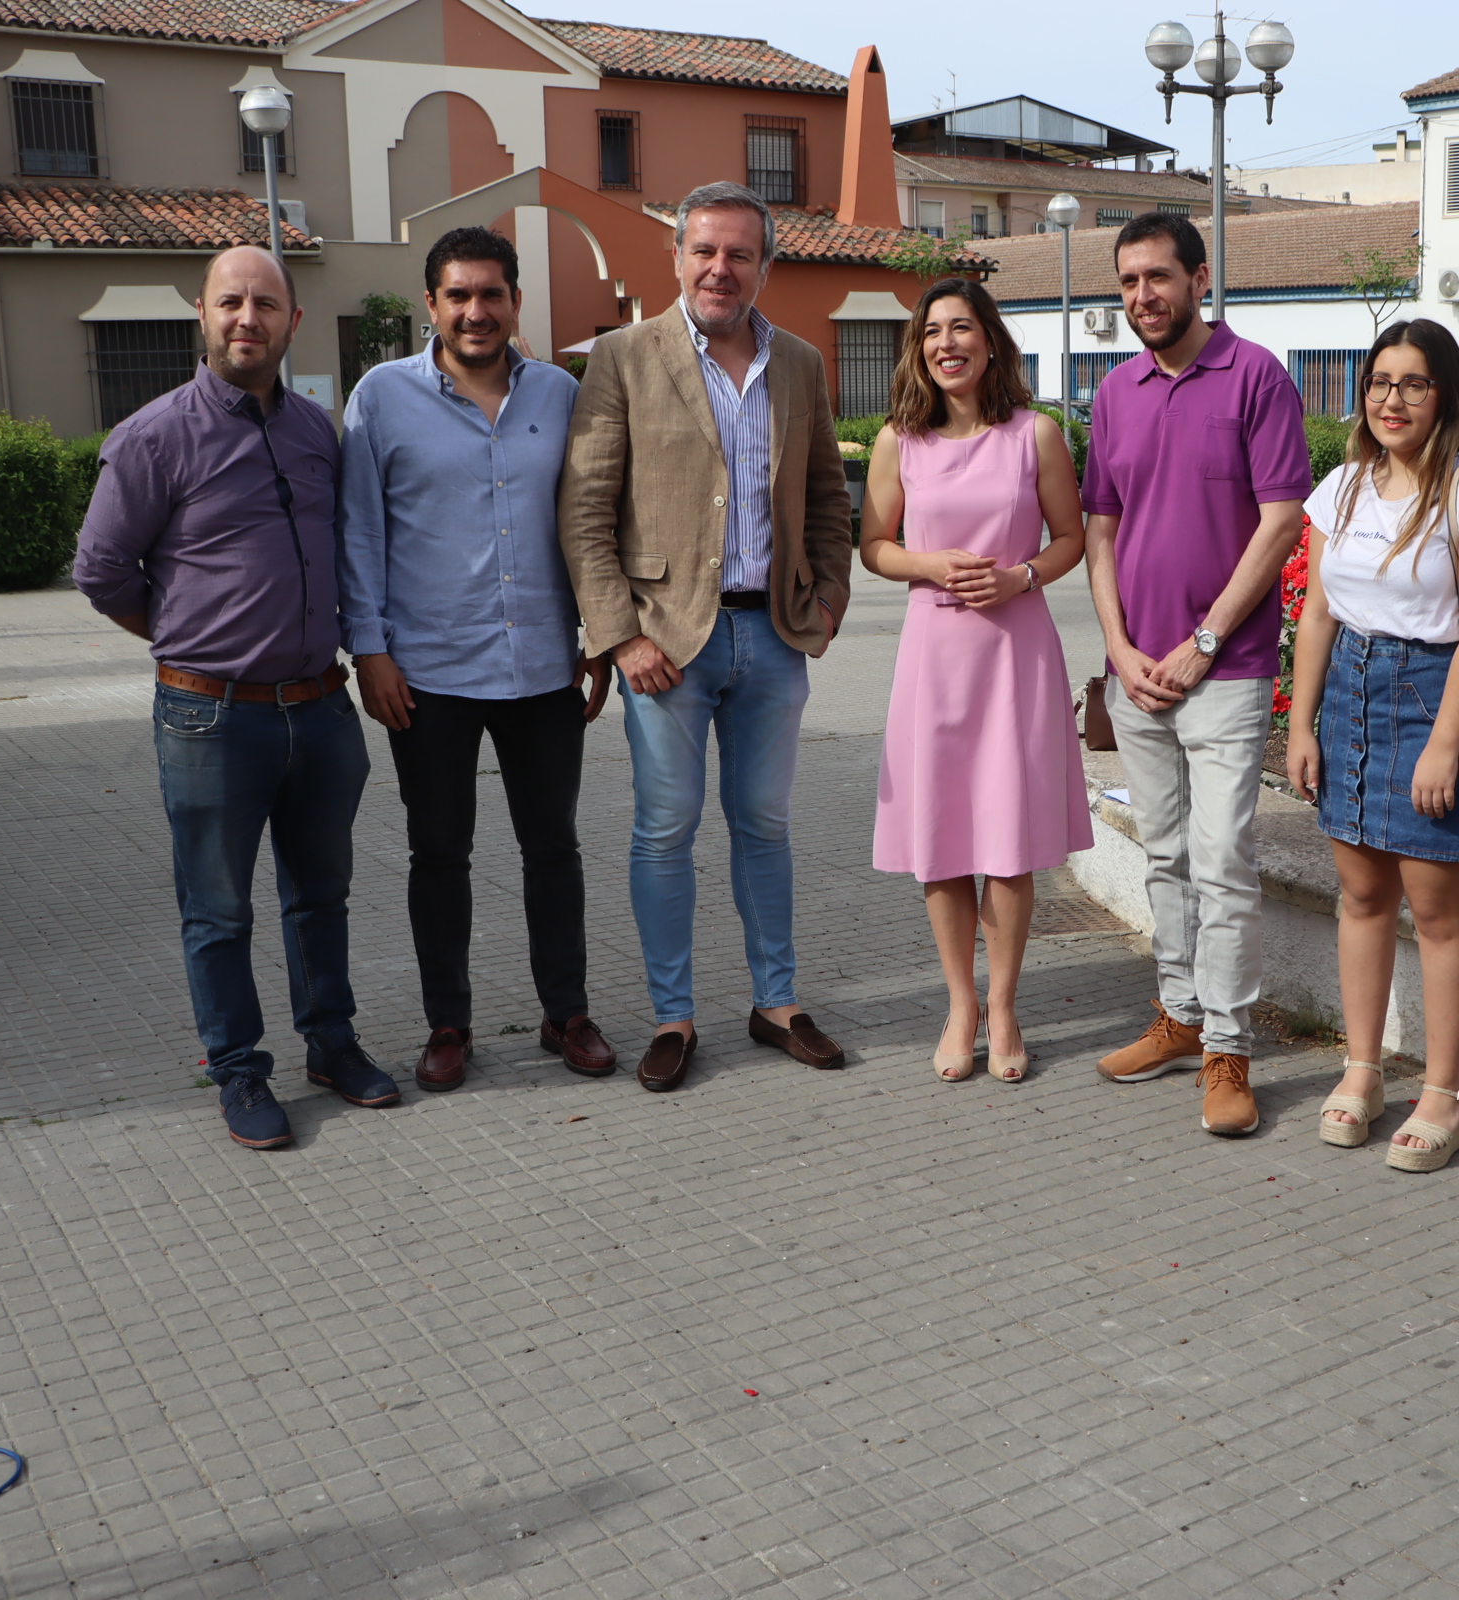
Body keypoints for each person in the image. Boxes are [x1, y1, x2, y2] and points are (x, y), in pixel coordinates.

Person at [74, 244, 396, 1151]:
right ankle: (239, 1070)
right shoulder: (154, 436)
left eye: (264, 304)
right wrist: (187, 640)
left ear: (292, 320)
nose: (246, 319)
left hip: (320, 710)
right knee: (218, 910)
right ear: (204, 316)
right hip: (209, 716)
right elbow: (101, 571)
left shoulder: (316, 432)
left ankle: (332, 1045)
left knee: (321, 896)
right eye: (229, 303)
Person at [558, 181, 853, 1093]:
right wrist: (617, 637)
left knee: (764, 825)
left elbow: (828, 498)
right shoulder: (622, 357)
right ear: (676, 258)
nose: (721, 269)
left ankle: (776, 1003)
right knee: (663, 830)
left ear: (766, 265)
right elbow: (585, 510)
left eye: (739, 254)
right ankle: (673, 1017)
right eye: (705, 252)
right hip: (665, 649)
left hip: (772, 637)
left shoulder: (799, 362)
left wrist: (831, 600)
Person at [337, 226, 616, 1094]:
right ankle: (448, 1023)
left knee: (554, 848)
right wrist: (370, 650)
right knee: (438, 854)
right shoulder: (382, 397)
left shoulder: (560, 395)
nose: (475, 311)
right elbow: (359, 531)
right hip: (427, 674)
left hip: (542, 665)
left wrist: (600, 635)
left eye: (491, 294)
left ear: (515, 302)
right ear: (431, 305)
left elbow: (593, 518)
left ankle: (564, 1011)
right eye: (458, 295)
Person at [1081, 212, 1312, 1137]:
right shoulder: (1115, 390)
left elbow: (1282, 519)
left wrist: (1204, 640)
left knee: (1222, 861)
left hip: (1225, 669)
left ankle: (1229, 1045)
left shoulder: (1255, 375)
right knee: (1166, 854)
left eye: (1158, 278)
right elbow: (1101, 529)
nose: (1143, 297)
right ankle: (1178, 1016)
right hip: (1136, 675)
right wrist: (1122, 649)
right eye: (1129, 282)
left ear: (1199, 277)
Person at [1285, 320, 1459, 1172]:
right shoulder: (1342, 488)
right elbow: (1316, 613)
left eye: (1414, 383)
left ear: (1445, 395)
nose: (1392, 398)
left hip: (1430, 699)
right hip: (1350, 689)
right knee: (1360, 896)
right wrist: (1302, 724)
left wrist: (1443, 745)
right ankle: (1362, 1070)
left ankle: (1444, 1093)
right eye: (1381, 381)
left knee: (1437, 908)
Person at [860, 279, 1091, 1083]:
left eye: (962, 329)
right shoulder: (899, 441)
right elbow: (875, 547)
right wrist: (925, 563)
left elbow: (1070, 540)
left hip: (1014, 654)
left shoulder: (1038, 436)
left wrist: (1022, 576)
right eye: (932, 333)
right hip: (934, 658)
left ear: (992, 342)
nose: (946, 343)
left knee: (1009, 839)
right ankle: (960, 1005)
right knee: (943, 839)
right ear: (919, 350)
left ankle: (1006, 1006)